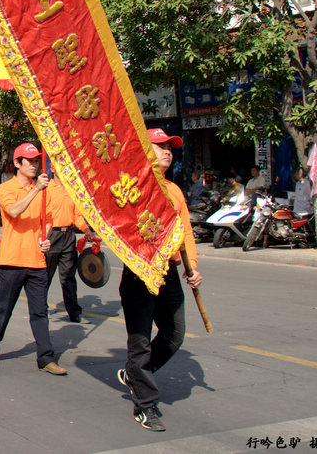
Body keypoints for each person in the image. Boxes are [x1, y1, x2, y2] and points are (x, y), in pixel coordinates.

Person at [117, 128, 202, 432]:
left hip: (169, 271)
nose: (168, 151)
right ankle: (145, 405)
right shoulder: (132, 186)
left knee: (175, 333)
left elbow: (186, 231)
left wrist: (191, 267)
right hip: (140, 272)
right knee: (139, 341)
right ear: (145, 150)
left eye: (170, 147)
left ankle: (134, 375)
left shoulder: (175, 191)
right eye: (161, 146)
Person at [0, 142, 66, 376]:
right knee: (4, 307)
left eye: (36, 160)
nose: (34, 164)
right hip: (12, 260)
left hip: (37, 260)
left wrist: (45, 237)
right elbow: (14, 211)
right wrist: (36, 190)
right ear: (17, 163)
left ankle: (46, 357)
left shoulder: (43, 191)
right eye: (29, 161)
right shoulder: (5, 188)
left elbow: (48, 219)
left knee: (40, 311)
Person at [46, 175, 89, 323]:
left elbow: (77, 215)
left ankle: (74, 313)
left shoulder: (72, 189)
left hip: (69, 236)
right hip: (52, 235)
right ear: (52, 168)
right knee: (45, 275)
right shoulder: (46, 189)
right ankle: (39, 308)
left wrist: (86, 229)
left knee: (68, 277)